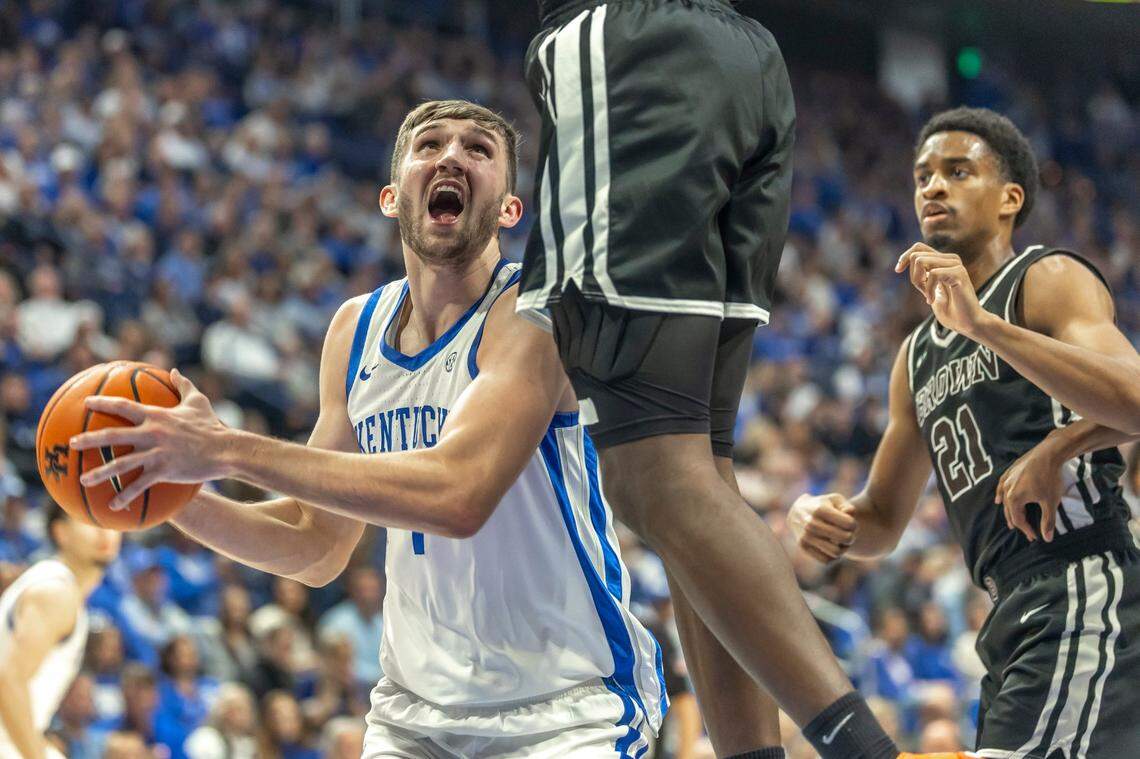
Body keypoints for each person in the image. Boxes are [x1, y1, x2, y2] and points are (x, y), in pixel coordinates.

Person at [73, 99, 666, 757]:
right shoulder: (355, 330)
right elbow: (314, 543)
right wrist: (168, 490)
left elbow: (458, 495)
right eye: (430, 144)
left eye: (478, 150)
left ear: (509, 209)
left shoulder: (537, 311)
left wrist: (223, 449)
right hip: (414, 716)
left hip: (565, 708)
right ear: (391, 197)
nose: (450, 156)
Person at [517, 2, 905, 758]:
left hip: (633, 42)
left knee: (650, 480)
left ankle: (865, 749)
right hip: (739, 56)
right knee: (698, 482)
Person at [789, 106, 1140, 758]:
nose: (932, 187)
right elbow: (883, 520)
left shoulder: (1045, 278)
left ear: (1010, 198)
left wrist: (1054, 442)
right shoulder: (915, 357)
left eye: (957, 171)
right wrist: (826, 517)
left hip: (1084, 581)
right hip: (1009, 610)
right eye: (922, 175)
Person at [0, 507, 122, 759]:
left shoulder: (59, 587)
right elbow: (7, 680)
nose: (105, 531)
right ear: (60, 532)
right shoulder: (57, 592)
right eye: (90, 520)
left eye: (111, 521)